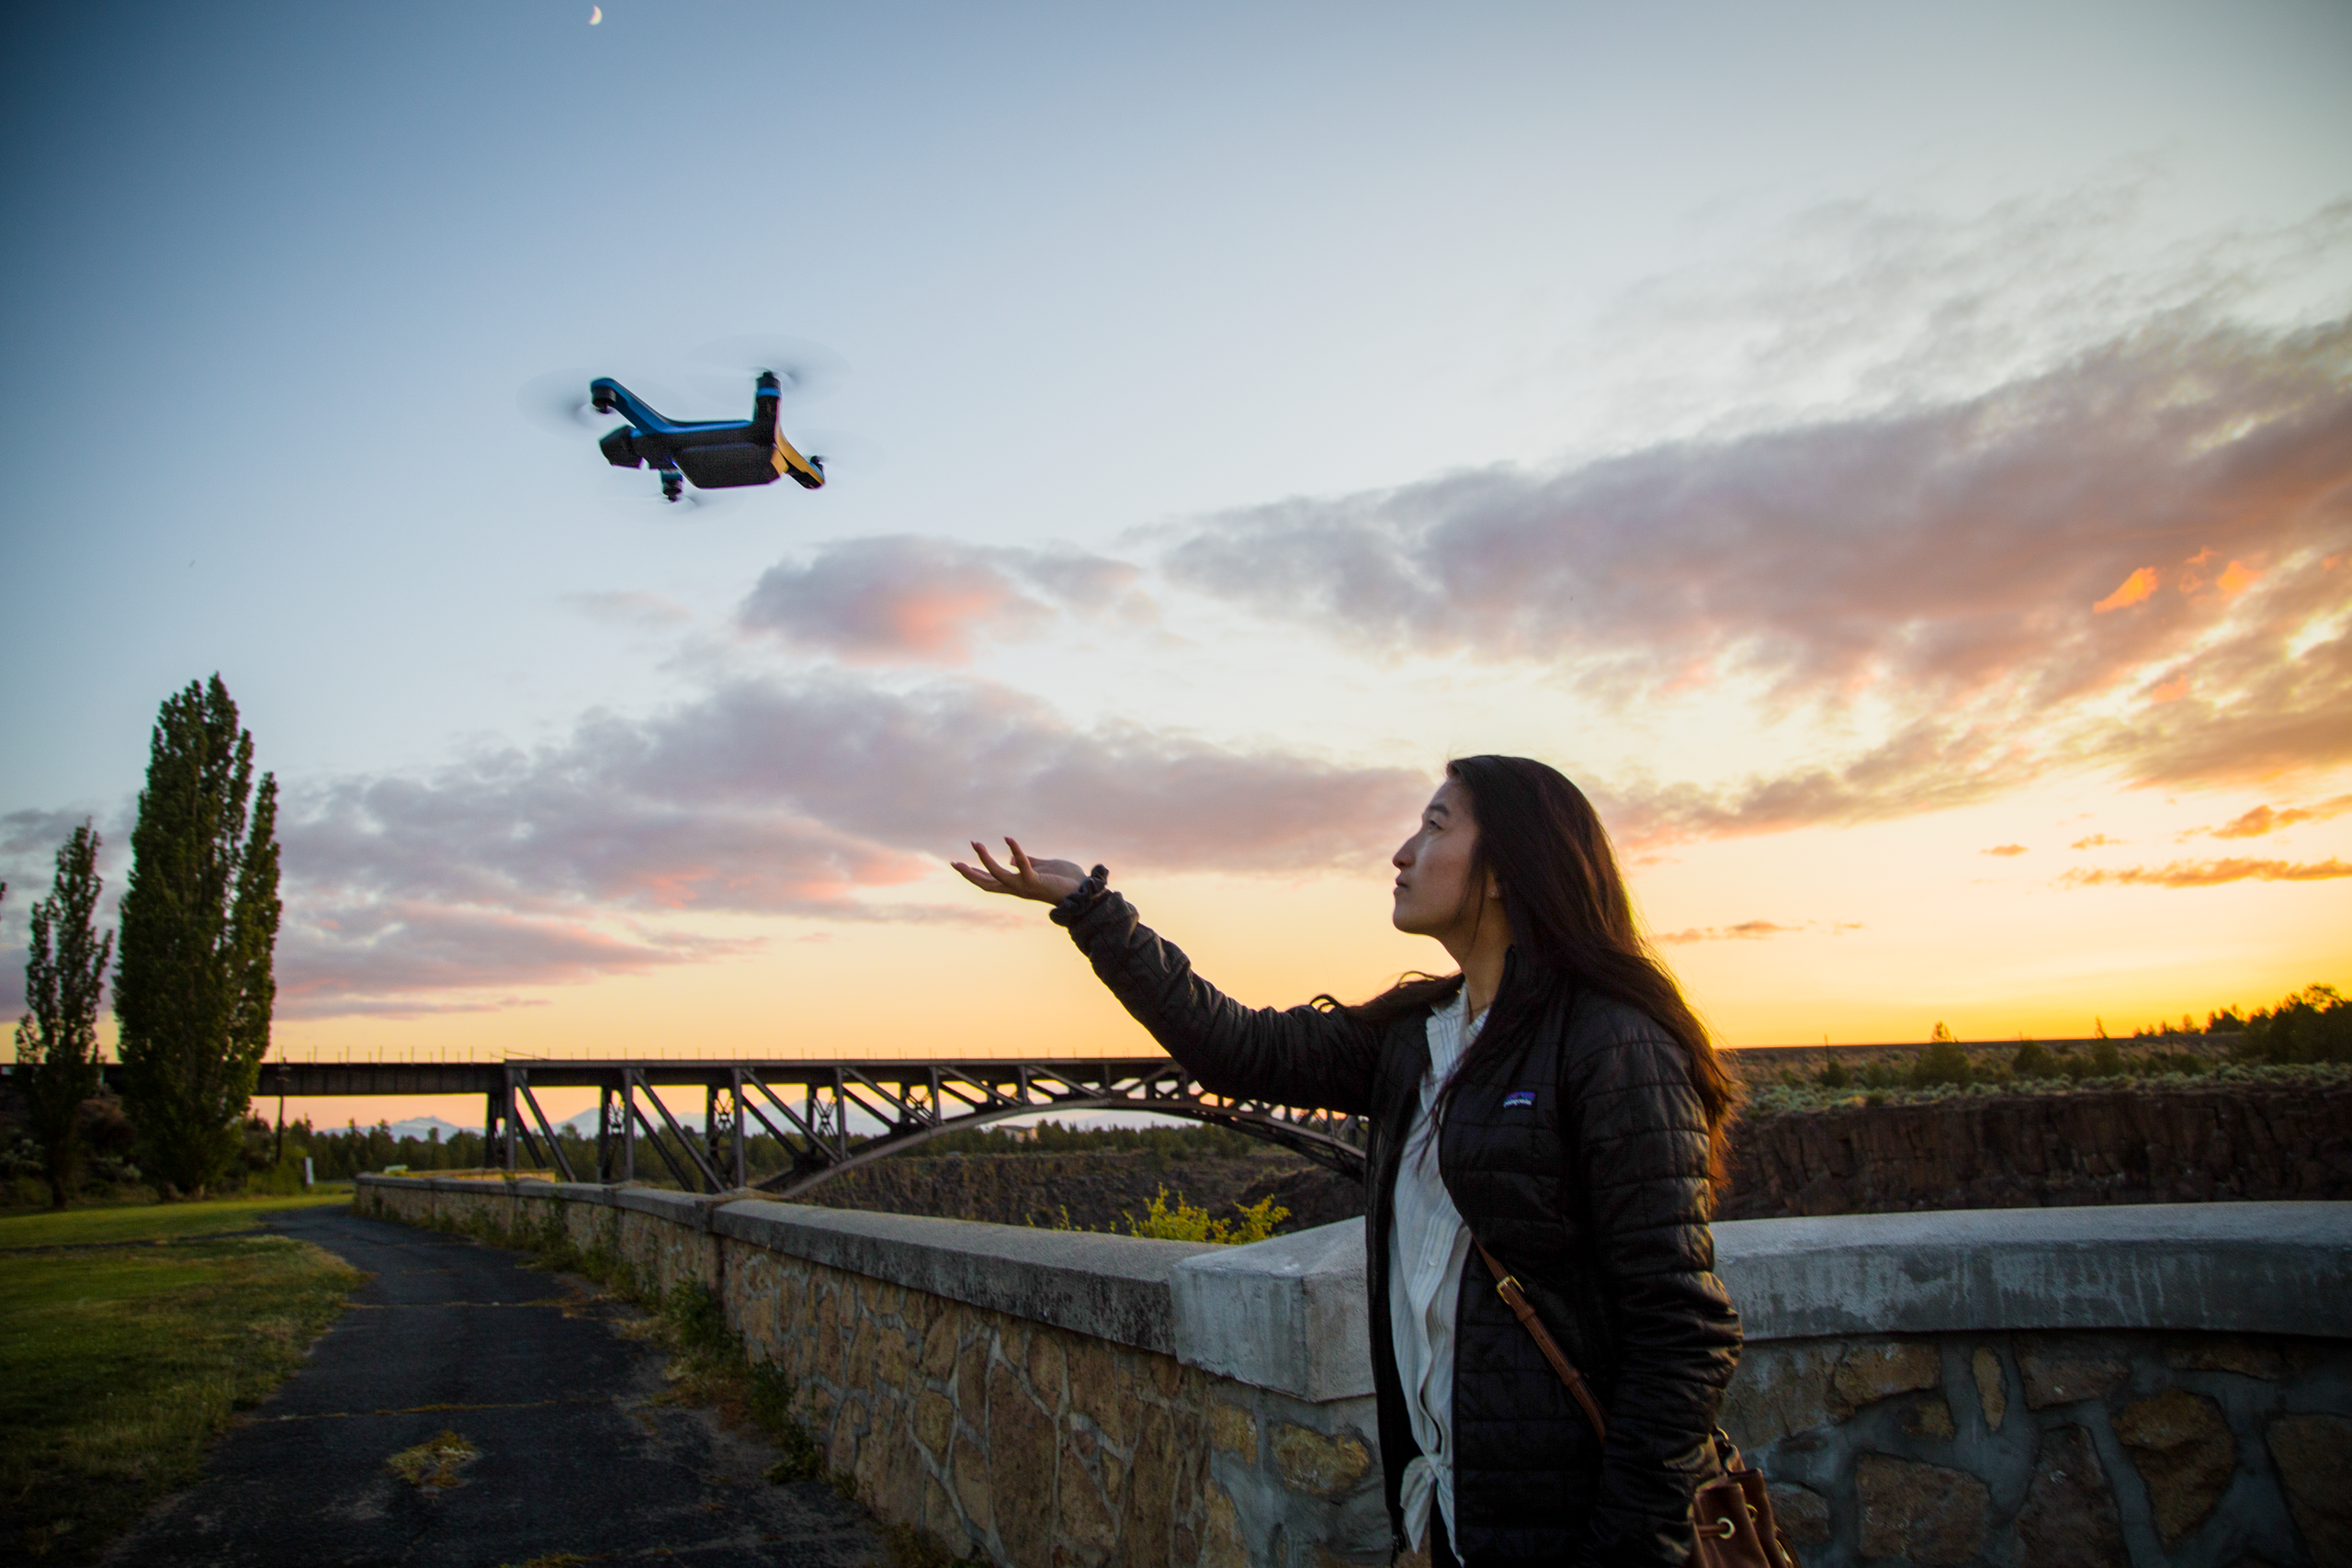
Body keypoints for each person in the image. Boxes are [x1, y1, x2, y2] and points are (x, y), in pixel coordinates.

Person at [953, 755, 1744, 1568]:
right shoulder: (1418, 1037)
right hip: (1443, 1516)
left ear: (1508, 868)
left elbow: (1681, 1332)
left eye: (1436, 825)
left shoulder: (1613, 1043)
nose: (1403, 851)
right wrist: (1093, 909)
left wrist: (1624, 1551)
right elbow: (1236, 1048)